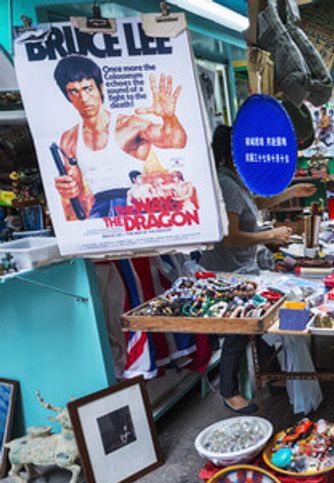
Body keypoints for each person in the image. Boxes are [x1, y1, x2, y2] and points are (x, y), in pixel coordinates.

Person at [201, 125, 316, 413]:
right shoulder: (225, 183)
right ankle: (229, 392)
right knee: (240, 329)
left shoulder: (235, 180)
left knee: (261, 319)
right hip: (229, 272)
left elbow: (257, 203)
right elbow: (231, 235)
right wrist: (270, 236)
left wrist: (294, 190)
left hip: (244, 266)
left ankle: (273, 373)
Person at [53, 55, 187, 219]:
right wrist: (67, 190)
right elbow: (77, 195)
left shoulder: (129, 126)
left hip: (135, 206)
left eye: (88, 88)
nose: (84, 98)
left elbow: (176, 141)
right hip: (99, 210)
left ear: (100, 88)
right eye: (74, 91)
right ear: (67, 96)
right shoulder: (70, 139)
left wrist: (169, 117)